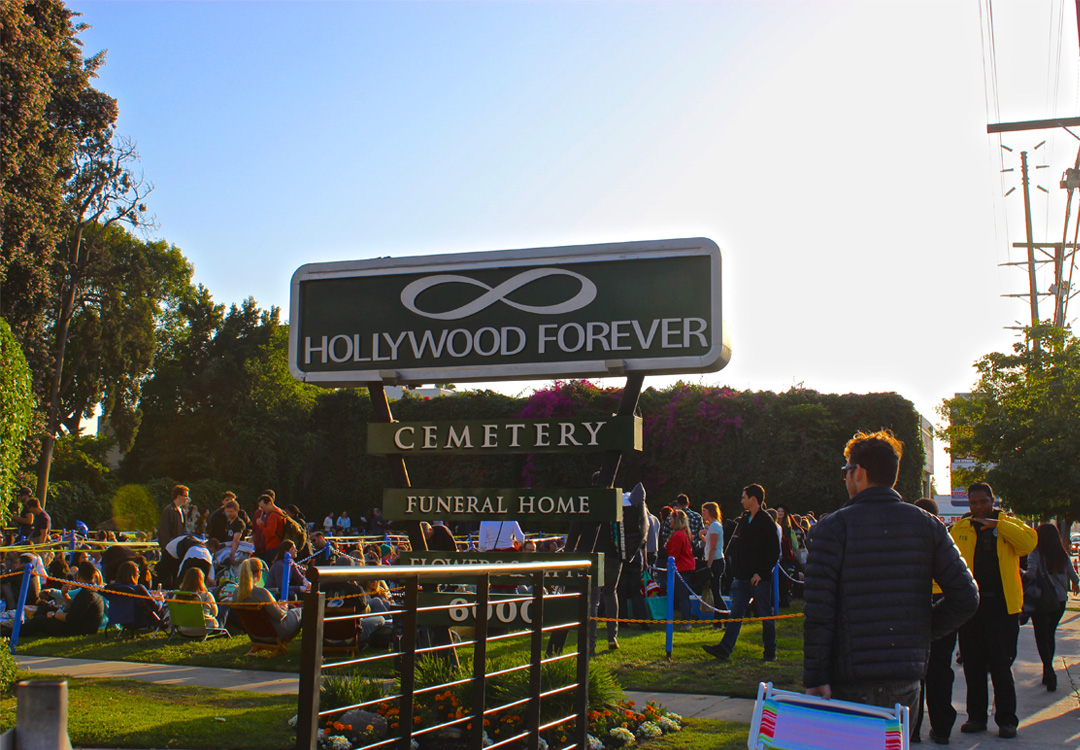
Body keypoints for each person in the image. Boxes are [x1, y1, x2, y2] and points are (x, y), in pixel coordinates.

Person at [801, 431, 978, 719]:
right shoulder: (927, 525)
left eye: (846, 470)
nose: (845, 478)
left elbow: (820, 612)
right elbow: (966, 596)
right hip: (904, 678)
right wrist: (922, 632)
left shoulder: (832, 528)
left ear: (858, 473)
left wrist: (815, 677)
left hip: (849, 677)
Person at [950, 481, 1036, 739]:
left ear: (992, 500)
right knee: (973, 664)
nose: (979, 508)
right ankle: (976, 717)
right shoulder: (960, 528)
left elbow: (1028, 544)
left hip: (1002, 607)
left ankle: (1007, 720)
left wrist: (999, 525)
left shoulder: (1011, 525)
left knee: (1001, 665)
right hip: (972, 607)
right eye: (974, 503)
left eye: (983, 502)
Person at [703, 484, 780, 661]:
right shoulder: (745, 519)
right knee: (736, 614)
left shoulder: (766, 522)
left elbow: (773, 552)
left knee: (765, 614)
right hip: (742, 576)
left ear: (753, 499)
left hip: (758, 578)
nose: (741, 500)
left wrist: (761, 573)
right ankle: (725, 648)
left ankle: (770, 650)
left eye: (744, 497)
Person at [1022, 523, 1078, 692]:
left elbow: (1030, 574)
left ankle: (1048, 670)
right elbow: (1074, 577)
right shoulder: (1062, 554)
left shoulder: (1036, 553)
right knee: (1050, 634)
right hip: (1059, 602)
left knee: (1041, 636)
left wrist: (1017, 571)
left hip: (1041, 601)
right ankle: (1049, 670)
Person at [20, 562, 104, 637]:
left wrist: (53, 615)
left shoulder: (87, 594)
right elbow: (74, 609)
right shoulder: (91, 590)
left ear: (78, 577)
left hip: (80, 629)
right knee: (45, 609)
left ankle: (14, 632)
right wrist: (65, 595)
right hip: (84, 626)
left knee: (40, 620)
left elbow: (71, 618)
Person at [234, 557, 301, 641]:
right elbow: (279, 616)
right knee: (301, 611)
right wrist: (283, 608)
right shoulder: (261, 593)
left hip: (256, 635)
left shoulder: (236, 593)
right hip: (276, 632)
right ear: (258, 573)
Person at [107, 560, 165, 631]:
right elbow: (155, 607)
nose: (139, 575)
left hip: (123, 621)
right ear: (133, 574)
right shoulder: (138, 589)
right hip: (143, 621)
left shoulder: (113, 588)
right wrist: (160, 600)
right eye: (137, 572)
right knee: (166, 606)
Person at [665, 510, 696, 632]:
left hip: (681, 568)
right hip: (688, 567)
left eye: (671, 519)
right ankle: (686, 620)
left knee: (682, 596)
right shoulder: (686, 533)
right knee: (684, 596)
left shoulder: (678, 535)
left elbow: (674, 554)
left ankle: (686, 622)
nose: (669, 522)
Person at [701, 502, 725, 615]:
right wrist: (702, 536)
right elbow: (710, 543)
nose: (702, 514)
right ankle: (718, 621)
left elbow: (714, 547)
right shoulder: (713, 526)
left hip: (716, 561)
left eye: (704, 511)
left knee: (716, 592)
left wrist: (709, 565)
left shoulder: (715, 526)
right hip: (713, 559)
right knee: (714, 592)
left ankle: (726, 617)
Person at [254, 493, 287, 562]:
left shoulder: (273, 515)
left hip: (272, 547)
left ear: (269, 503)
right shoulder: (280, 512)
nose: (262, 510)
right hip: (278, 545)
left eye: (262, 507)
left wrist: (261, 525)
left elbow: (270, 533)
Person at [158, 485, 189, 549]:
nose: (187, 498)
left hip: (179, 546)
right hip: (170, 547)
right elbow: (164, 531)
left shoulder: (182, 511)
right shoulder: (169, 510)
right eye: (185, 496)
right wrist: (166, 547)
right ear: (178, 496)